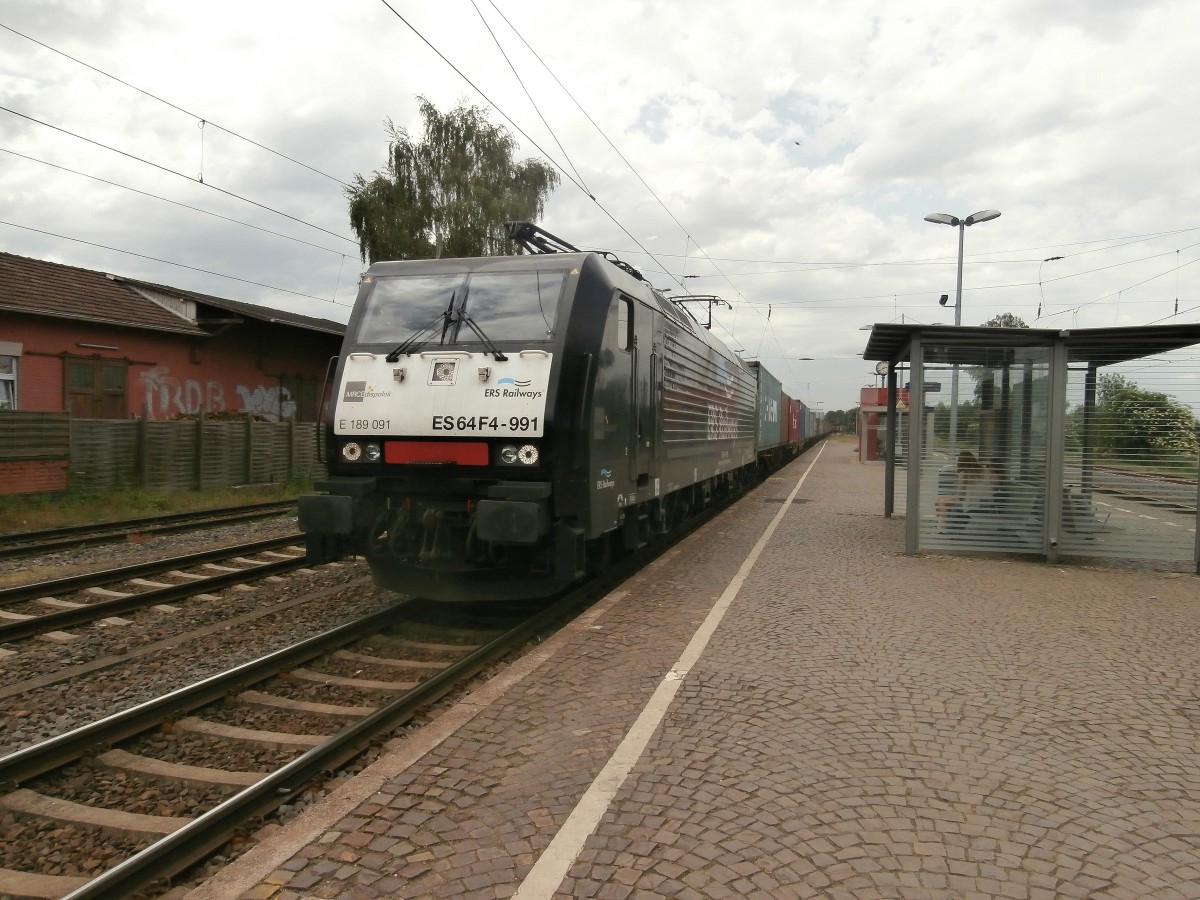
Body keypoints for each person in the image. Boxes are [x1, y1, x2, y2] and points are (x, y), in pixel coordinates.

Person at [935, 451, 993, 531]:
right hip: (983, 501)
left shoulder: (964, 473)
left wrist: (951, 496)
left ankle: (943, 528)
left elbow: (960, 495)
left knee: (941, 502)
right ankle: (942, 524)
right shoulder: (984, 471)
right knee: (939, 500)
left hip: (970, 502)